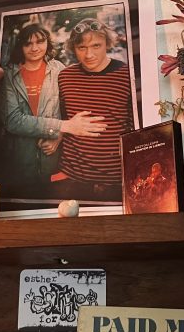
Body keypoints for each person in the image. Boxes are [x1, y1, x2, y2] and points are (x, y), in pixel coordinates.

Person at [0, 23, 106, 195]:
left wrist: (59, 136)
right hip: (19, 163)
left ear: (47, 42)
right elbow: (12, 121)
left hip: (53, 161)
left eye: (40, 41)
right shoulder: (9, 75)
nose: (35, 48)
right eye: (28, 43)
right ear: (20, 46)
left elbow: (70, 110)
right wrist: (61, 127)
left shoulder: (59, 70)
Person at [54, 18, 134, 202]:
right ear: (73, 48)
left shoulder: (127, 75)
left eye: (96, 45)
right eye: (82, 47)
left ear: (107, 42)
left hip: (118, 183)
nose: (89, 54)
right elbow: (60, 119)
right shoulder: (65, 77)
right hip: (72, 181)